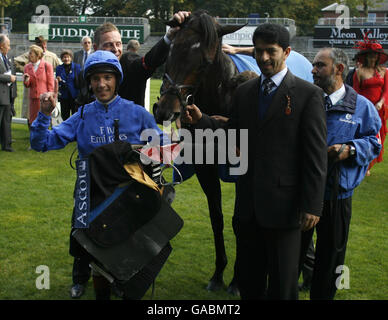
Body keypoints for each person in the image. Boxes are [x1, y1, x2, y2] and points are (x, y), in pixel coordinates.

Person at [181, 23, 327, 300]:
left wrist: (312, 204)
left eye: (270, 52)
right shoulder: (245, 92)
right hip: (248, 209)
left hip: (285, 212)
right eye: (259, 51)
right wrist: (202, 120)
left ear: (286, 52)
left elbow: (315, 155)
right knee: (249, 284)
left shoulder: (309, 95)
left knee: (283, 288)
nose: (263, 58)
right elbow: (233, 132)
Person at [69, 11, 190, 299]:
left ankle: (127, 278)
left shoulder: (131, 67)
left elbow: (150, 62)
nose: (117, 49)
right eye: (109, 45)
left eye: (119, 43)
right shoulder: (90, 78)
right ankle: (80, 275)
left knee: (130, 220)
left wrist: (169, 36)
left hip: (132, 165)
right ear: (96, 48)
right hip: (94, 170)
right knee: (84, 220)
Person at [30, 50, 168, 300]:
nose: (101, 84)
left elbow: (166, 147)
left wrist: (156, 153)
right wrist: (43, 114)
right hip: (89, 192)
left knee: (127, 251)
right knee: (92, 253)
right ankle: (86, 284)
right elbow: (42, 143)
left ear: (116, 80)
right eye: (96, 79)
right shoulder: (82, 114)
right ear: (89, 82)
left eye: (107, 77)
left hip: (127, 196)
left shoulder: (137, 113)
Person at [300, 47, 381, 300]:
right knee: (291, 254)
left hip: (337, 195)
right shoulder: (304, 100)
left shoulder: (363, 108)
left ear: (339, 69)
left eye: (320, 65)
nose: (313, 70)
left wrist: (351, 149)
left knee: (332, 257)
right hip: (301, 192)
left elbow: (375, 142)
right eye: (314, 65)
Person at [352, 33, 388, 175]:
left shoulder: (384, 72)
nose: (373, 58)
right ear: (366, 56)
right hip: (364, 109)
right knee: (364, 135)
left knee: (379, 137)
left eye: (375, 55)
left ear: (378, 57)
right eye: (370, 55)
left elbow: (386, 91)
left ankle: (369, 164)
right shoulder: (359, 72)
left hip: (379, 109)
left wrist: (381, 102)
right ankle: (364, 163)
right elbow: (355, 92)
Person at [23, 45, 54, 126]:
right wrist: (26, 80)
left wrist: (49, 96)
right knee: (33, 120)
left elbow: (51, 84)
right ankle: (34, 137)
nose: (29, 56)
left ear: (38, 55)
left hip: (44, 99)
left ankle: (45, 138)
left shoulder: (47, 66)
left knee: (44, 121)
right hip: (33, 99)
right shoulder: (27, 67)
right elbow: (27, 85)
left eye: (31, 54)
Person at [0, 34, 17, 152]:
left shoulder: (7, 58)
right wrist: (8, 78)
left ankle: (6, 145)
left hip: (7, 95)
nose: (9, 48)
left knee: (6, 121)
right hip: (1, 95)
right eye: (8, 45)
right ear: (1, 46)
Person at [56, 49, 81, 121]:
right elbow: (58, 81)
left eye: (68, 57)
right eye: (64, 57)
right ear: (62, 58)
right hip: (64, 96)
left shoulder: (77, 67)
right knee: (65, 116)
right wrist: (59, 81)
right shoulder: (59, 68)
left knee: (75, 116)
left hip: (75, 96)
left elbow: (80, 81)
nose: (66, 59)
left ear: (71, 58)